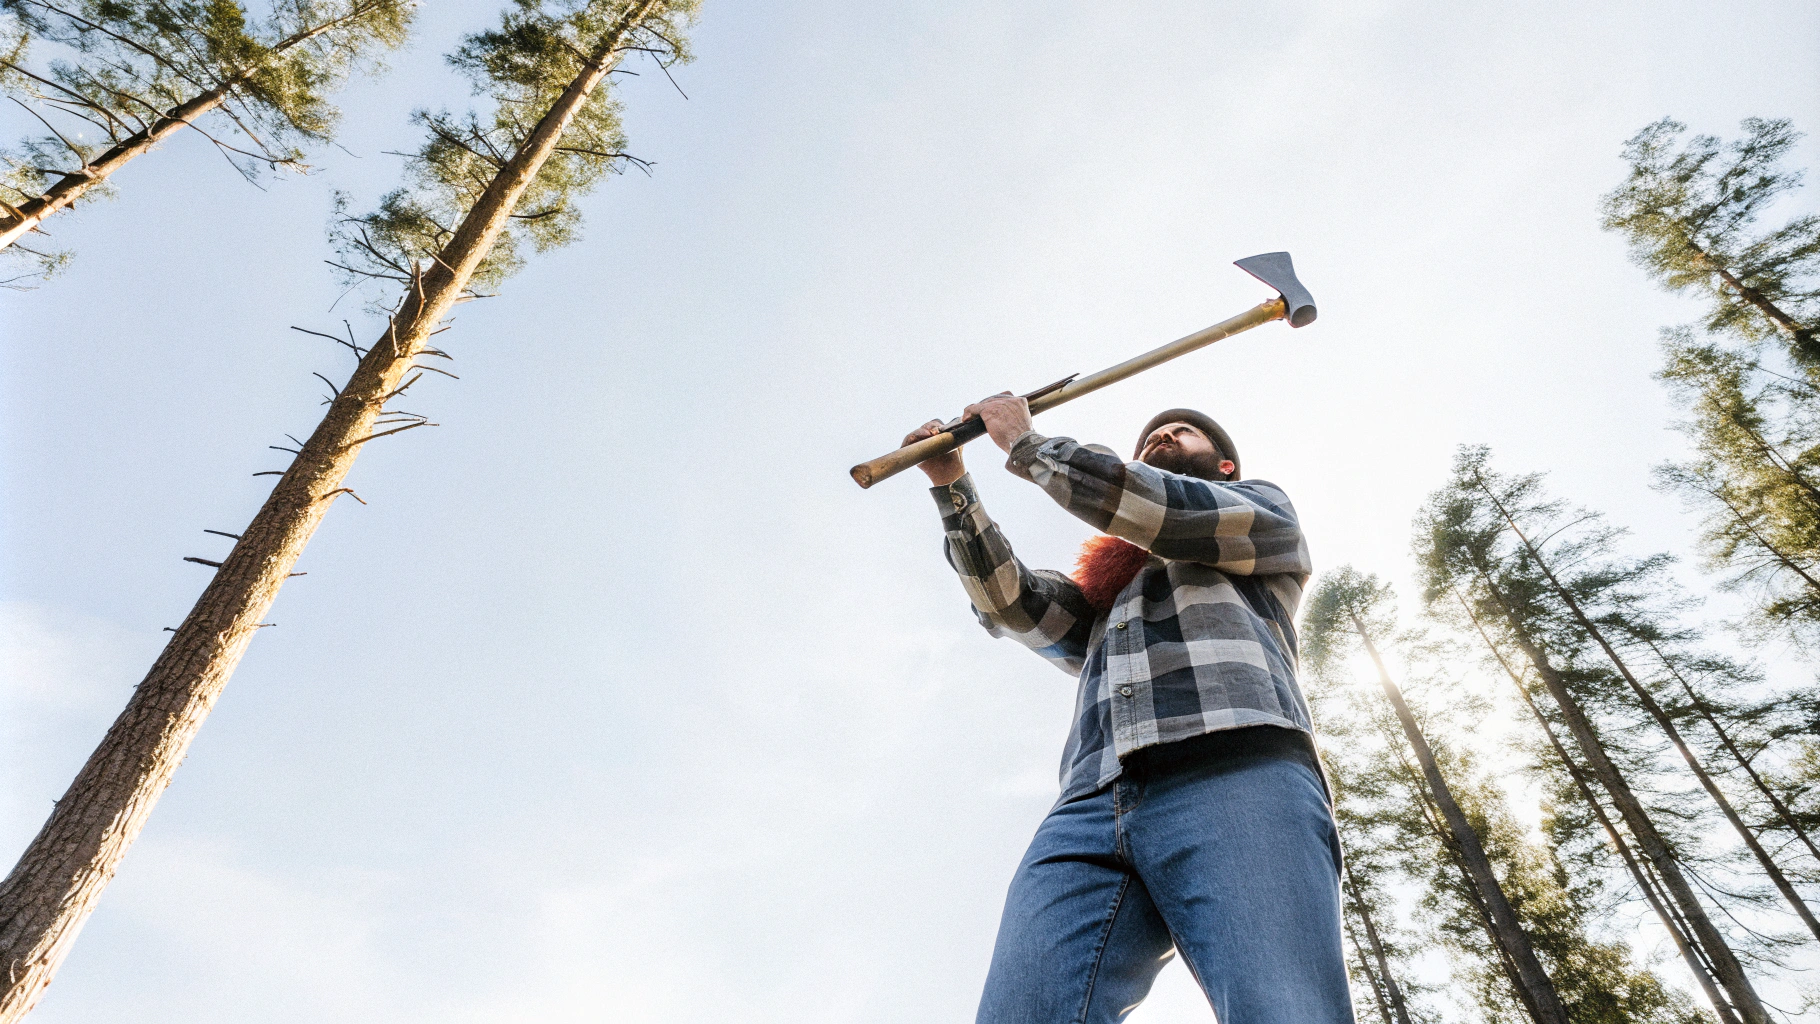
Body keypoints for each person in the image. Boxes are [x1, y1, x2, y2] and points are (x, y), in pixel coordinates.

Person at [905, 393, 1353, 1024]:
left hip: (1234, 767)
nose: (1163, 435)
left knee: (1280, 1008)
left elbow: (1163, 508)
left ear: (1225, 467)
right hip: (1089, 803)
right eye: (1152, 435)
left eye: (1184, 433)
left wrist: (1031, 448)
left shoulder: (1262, 515)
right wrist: (953, 487)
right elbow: (1011, 604)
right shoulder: (1108, 598)